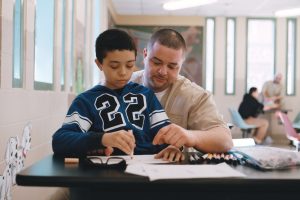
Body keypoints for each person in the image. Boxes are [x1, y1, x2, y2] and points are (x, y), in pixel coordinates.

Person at [52, 29, 183, 161]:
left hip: (147, 166)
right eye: (114, 66)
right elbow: (60, 141)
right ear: (99, 64)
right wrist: (102, 139)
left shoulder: (146, 95)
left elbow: (167, 135)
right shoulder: (86, 100)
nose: (123, 72)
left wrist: (173, 147)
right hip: (107, 169)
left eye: (129, 65)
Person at [130, 28, 233, 156]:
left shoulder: (195, 96)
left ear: (181, 64)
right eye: (156, 62)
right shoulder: (119, 85)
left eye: (172, 66)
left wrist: (191, 136)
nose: (163, 71)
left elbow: (225, 140)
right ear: (145, 55)